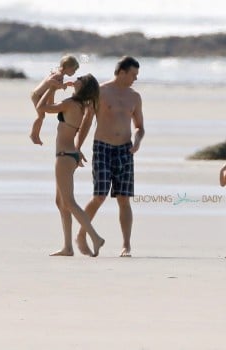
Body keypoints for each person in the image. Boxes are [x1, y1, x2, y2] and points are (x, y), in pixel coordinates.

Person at [75, 56, 145, 257]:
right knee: (99, 195)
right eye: (133, 74)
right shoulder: (101, 92)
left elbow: (139, 127)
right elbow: (87, 120)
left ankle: (126, 245)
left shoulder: (135, 97)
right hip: (102, 148)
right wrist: (77, 147)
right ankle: (81, 235)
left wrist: (138, 141)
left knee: (124, 198)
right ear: (122, 72)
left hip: (125, 150)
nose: (135, 78)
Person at [36, 73, 105, 257]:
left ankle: (95, 237)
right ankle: (67, 247)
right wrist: (55, 88)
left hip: (64, 156)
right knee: (60, 202)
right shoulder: (79, 104)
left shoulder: (71, 103)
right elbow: (51, 106)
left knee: (69, 202)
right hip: (69, 155)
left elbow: (41, 107)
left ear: (83, 86)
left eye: (80, 78)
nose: (76, 78)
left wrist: (51, 86)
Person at [30, 54, 79, 146]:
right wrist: (62, 85)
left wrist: (65, 84)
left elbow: (53, 85)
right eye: (73, 69)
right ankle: (34, 135)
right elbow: (50, 81)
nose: (74, 72)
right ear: (66, 67)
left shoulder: (60, 75)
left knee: (50, 106)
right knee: (41, 116)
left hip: (43, 94)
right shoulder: (58, 74)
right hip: (37, 95)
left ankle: (35, 135)